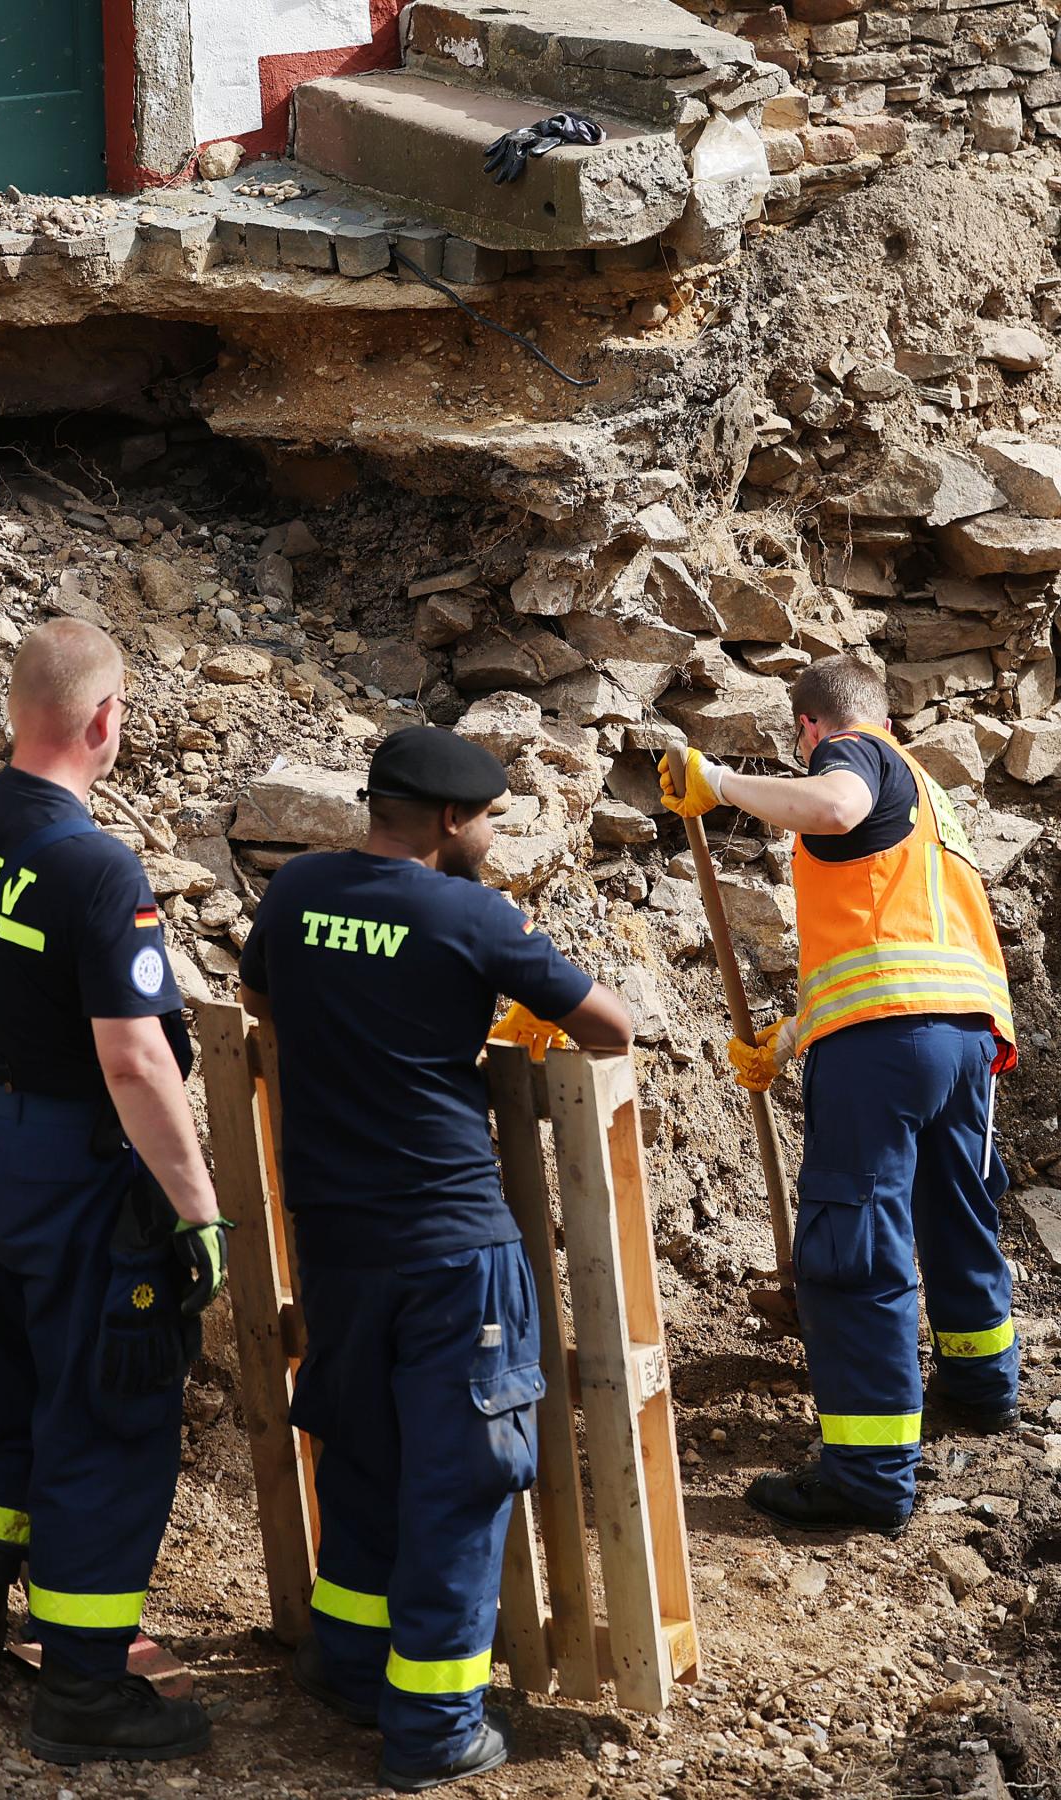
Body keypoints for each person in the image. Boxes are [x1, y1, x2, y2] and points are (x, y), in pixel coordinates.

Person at [243, 725, 634, 1792]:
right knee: (464, 1483)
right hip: (450, 1248)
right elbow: (611, 1026)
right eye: (494, 820)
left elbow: (260, 1004)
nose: (496, 837)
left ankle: (348, 1665)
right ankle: (432, 1726)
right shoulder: (472, 916)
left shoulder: (297, 892)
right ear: (453, 821)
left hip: (335, 1243)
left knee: (365, 1454)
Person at [0, 618, 230, 1764]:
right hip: (74, 1170)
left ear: (11, 707)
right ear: (104, 723)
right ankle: (81, 1683)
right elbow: (134, 1060)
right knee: (104, 1416)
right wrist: (195, 1209)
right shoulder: (95, 867)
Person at [659, 654, 1021, 1537]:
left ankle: (867, 1475)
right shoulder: (933, 799)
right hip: (961, 1038)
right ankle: (981, 1388)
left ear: (809, 727)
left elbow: (832, 809)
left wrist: (721, 781)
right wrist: (784, 1040)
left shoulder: (851, 759)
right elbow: (887, 945)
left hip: (885, 1048)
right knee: (956, 1209)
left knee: (854, 1247)